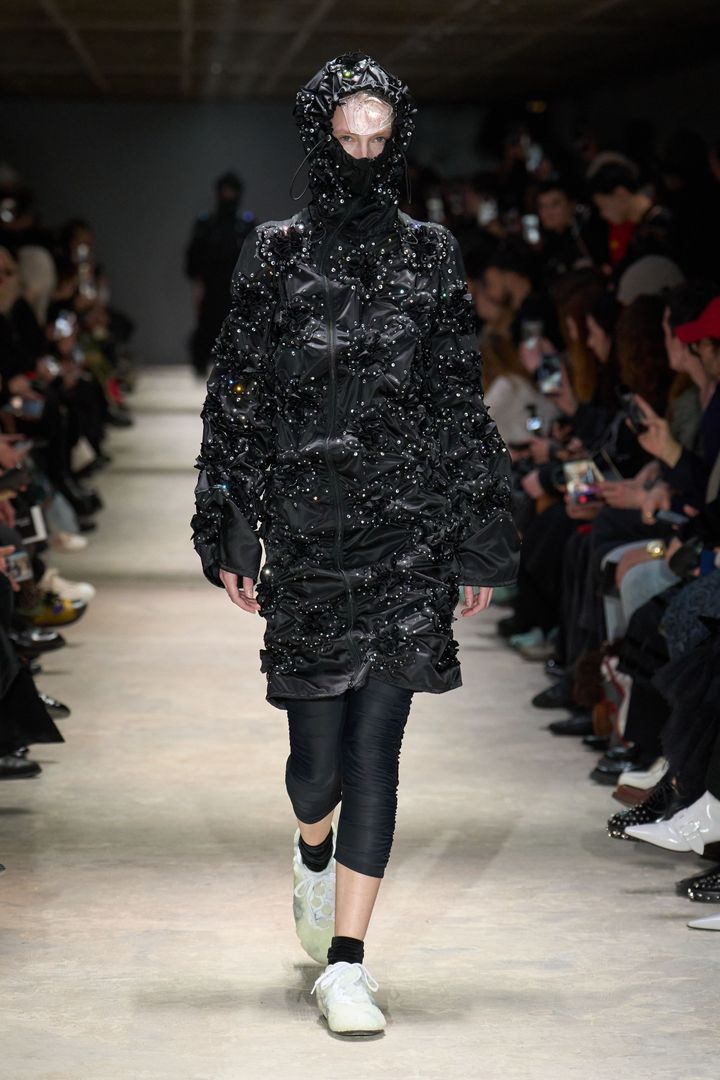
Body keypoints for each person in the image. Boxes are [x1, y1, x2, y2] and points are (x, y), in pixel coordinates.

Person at [191, 52, 520, 1037]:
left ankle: (348, 964)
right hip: (307, 534)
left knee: (376, 752)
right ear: (320, 139)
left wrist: (477, 533)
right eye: (348, 139)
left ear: (399, 141)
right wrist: (232, 521)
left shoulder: (431, 253)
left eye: (380, 140)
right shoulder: (274, 253)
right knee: (316, 771)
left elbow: (456, 396)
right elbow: (236, 395)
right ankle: (312, 847)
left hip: (407, 531)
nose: (364, 157)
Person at [184, 172, 255, 379]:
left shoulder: (245, 224)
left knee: (238, 326)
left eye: (232, 190)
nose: (228, 195)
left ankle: (238, 366)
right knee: (208, 324)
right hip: (211, 284)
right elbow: (194, 256)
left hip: (238, 286)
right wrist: (197, 281)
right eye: (225, 190)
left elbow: (254, 257)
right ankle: (201, 364)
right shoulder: (207, 224)